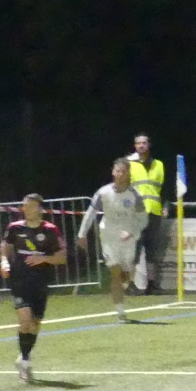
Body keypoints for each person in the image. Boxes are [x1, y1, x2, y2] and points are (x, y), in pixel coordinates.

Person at [0, 193, 66, 383]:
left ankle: (23, 356)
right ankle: (26, 362)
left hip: (41, 281)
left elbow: (62, 257)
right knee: (25, 320)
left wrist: (43, 258)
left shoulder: (51, 230)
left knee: (35, 323)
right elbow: (5, 247)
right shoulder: (14, 228)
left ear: (40, 209)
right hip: (19, 280)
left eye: (30, 206)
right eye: (24, 206)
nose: (26, 209)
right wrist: (4, 262)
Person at [78, 157, 148, 321]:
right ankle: (120, 311)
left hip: (128, 238)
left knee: (126, 273)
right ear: (113, 172)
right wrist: (82, 234)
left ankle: (125, 283)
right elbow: (90, 214)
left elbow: (143, 219)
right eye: (117, 171)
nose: (120, 174)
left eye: (123, 171)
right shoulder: (103, 193)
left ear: (128, 173)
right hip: (108, 236)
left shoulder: (135, 195)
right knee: (115, 272)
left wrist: (131, 232)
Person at [126, 134, 167, 292]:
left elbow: (164, 189)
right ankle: (130, 284)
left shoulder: (159, 165)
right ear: (135, 146)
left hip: (154, 211)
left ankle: (151, 284)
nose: (141, 145)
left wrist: (166, 206)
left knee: (152, 249)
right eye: (138, 143)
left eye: (144, 143)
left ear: (149, 145)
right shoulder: (129, 164)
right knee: (133, 249)